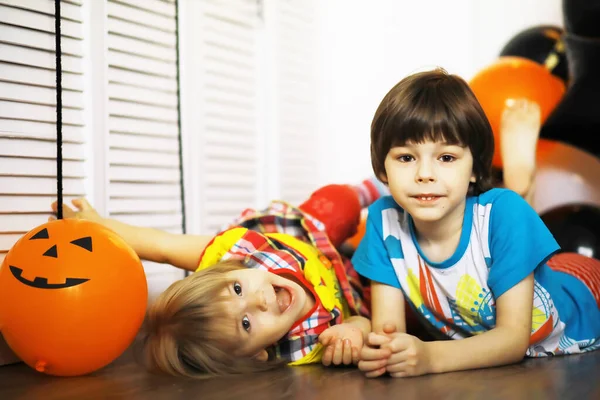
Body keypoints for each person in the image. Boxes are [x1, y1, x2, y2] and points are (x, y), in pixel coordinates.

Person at [352, 68, 600, 379]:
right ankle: (520, 180)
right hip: (494, 323)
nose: (424, 174)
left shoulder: (505, 212)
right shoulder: (383, 220)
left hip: (584, 292)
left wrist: (429, 356)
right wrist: (375, 345)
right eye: (406, 158)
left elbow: (512, 340)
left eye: (446, 158)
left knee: (525, 224)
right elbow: (390, 334)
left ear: (473, 168)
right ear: (383, 168)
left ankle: (521, 178)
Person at [51, 178, 389, 377]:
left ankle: (371, 188)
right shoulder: (305, 346)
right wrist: (352, 333)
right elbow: (363, 323)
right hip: (350, 287)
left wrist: (93, 225)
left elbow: (159, 245)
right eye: (246, 324)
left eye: (239, 288)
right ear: (258, 354)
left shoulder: (238, 255)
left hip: (306, 241)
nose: (259, 301)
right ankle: (360, 246)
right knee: (386, 290)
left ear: (231, 271)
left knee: (333, 203)